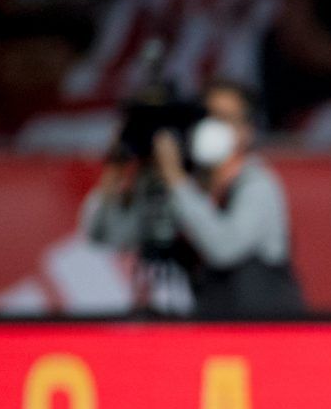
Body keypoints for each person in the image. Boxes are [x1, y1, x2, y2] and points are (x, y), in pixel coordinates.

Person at [80, 79, 304, 317]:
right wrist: (115, 174)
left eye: (223, 118)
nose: (212, 125)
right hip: (212, 326)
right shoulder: (189, 186)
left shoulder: (257, 184)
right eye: (206, 116)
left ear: (247, 131)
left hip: (264, 327)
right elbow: (110, 236)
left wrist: (174, 177)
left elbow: (225, 248)